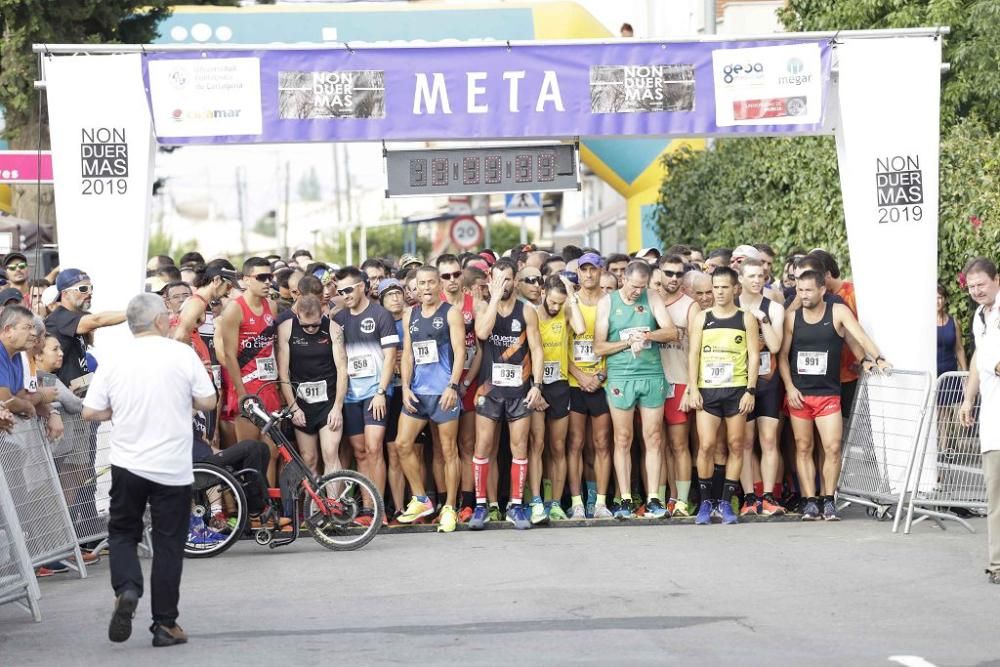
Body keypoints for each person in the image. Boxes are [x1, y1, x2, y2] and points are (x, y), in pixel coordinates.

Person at [82, 293, 217, 647]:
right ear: (160, 321)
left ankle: (127, 587)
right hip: (171, 465)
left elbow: (90, 411)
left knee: (123, 533)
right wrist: (181, 399)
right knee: (169, 542)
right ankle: (165, 624)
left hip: (128, 463)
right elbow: (208, 400)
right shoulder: (181, 354)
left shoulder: (115, 359)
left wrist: (118, 411)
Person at [779, 270, 890, 521]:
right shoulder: (792, 318)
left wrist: (877, 357)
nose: (803, 295)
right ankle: (809, 501)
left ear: (822, 290)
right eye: (799, 290)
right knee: (803, 447)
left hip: (828, 393)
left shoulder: (837, 311)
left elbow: (860, 335)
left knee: (832, 447)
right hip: (800, 394)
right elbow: (783, 356)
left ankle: (829, 499)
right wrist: (789, 387)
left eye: (808, 290)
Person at [595, 260, 678, 519]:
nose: (636, 292)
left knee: (653, 436)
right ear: (624, 280)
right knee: (623, 438)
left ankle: (654, 498)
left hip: (651, 374)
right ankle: (625, 498)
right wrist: (627, 342)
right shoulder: (608, 302)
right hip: (621, 376)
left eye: (641, 287)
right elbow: (599, 347)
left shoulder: (652, 297)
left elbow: (671, 332)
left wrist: (648, 336)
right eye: (633, 287)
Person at [468, 259, 545, 530]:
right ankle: (480, 506)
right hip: (489, 390)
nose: (504, 284)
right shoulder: (482, 308)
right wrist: (493, 298)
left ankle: (516, 505)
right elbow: (482, 332)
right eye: (499, 279)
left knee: (519, 447)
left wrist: (537, 385)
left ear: (515, 281)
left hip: (519, 390)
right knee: (483, 446)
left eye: (508, 279)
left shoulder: (527, 311)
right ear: (490, 280)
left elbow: (536, 349)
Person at [393, 266, 465, 533]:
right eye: (421, 283)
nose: (426, 287)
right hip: (418, 393)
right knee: (402, 444)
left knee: (448, 452)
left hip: (443, 392)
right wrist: (405, 388)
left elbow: (460, 352)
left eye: (431, 282)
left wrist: (453, 386)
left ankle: (449, 507)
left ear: (439, 285)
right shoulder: (410, 314)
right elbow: (408, 354)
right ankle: (422, 499)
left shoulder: (451, 313)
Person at [686, 267, 760, 525]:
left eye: (724, 287)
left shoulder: (746, 318)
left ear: (735, 289)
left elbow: (754, 357)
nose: (718, 292)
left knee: (736, 445)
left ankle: (726, 503)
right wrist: (693, 388)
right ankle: (706, 502)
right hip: (707, 390)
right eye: (715, 287)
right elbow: (693, 354)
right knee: (706, 445)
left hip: (737, 390)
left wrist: (750, 390)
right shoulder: (702, 317)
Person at [332, 266, 399, 526]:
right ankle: (367, 509)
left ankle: (380, 509)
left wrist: (382, 391)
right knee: (360, 452)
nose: (345, 295)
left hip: (376, 392)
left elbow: (391, 355)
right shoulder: (339, 319)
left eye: (348, 289)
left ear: (362, 286)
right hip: (350, 394)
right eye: (340, 291)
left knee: (374, 449)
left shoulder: (380, 314)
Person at [215, 257, 281, 482]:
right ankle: (253, 509)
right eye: (261, 277)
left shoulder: (271, 306)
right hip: (247, 386)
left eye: (270, 277)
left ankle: (269, 506)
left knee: (272, 452)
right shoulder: (234, 309)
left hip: (269, 385)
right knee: (251, 453)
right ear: (245, 280)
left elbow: (275, 347)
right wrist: (241, 391)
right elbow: (229, 355)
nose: (267, 282)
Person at [529, 274, 585, 523]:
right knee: (537, 445)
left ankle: (554, 502)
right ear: (542, 293)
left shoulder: (565, 311)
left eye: (558, 303)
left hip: (560, 384)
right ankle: (536, 501)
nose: (554, 307)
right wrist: (534, 387)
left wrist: (571, 298)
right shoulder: (531, 314)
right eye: (551, 302)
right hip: (536, 386)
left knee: (558, 447)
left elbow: (581, 329)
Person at [958, 257, 1000, 584]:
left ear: (996, 280)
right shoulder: (979, 316)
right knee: (995, 495)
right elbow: (978, 357)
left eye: (981, 285)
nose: (976, 291)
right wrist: (968, 398)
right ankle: (997, 564)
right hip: (992, 422)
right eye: (971, 287)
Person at [736, 258, 786, 516]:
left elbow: (776, 346)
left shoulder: (774, 308)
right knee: (744, 442)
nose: (757, 280)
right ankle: (748, 497)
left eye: (761, 276)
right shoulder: (731, 307)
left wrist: (762, 320)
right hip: (741, 380)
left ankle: (768, 495)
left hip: (768, 380)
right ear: (740, 279)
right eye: (751, 276)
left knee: (768, 440)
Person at [276, 294, 347, 476]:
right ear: (297, 315)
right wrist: (293, 407)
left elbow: (342, 369)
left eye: (315, 325)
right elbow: (283, 372)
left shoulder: (333, 329)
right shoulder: (286, 329)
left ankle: (333, 504)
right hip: (301, 403)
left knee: (331, 453)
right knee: (309, 459)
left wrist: (337, 407)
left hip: (328, 401)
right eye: (305, 325)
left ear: (322, 313)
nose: (310, 329)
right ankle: (313, 505)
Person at [567, 253, 613, 519]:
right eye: (583, 270)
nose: (588, 275)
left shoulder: (609, 304)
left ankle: (600, 502)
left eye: (593, 270)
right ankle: (576, 502)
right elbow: (563, 346)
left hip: (602, 382)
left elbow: (614, 345)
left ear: (600, 272)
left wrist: (600, 376)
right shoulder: (569, 304)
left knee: (602, 443)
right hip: (575, 382)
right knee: (575, 443)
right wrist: (580, 375)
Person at [658, 254, 699, 517]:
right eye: (669, 273)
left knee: (679, 445)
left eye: (678, 274)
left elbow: (695, 350)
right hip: (651, 381)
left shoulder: (690, 306)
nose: (674, 278)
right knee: (656, 445)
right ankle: (661, 500)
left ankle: (681, 500)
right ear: (659, 272)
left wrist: (693, 387)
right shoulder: (648, 300)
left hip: (680, 380)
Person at [45, 268, 127, 389]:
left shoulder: (77, 316)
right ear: (65, 293)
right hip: (62, 397)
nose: (89, 293)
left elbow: (77, 371)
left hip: (77, 389)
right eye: (83, 289)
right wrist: (132, 312)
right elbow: (97, 320)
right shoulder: (60, 317)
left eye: (90, 288)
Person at [937, 284, 967, 377]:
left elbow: (959, 349)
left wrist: (965, 374)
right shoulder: (925, 323)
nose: (936, 301)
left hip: (951, 376)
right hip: (931, 376)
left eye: (939, 298)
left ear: (945, 300)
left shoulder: (954, 322)